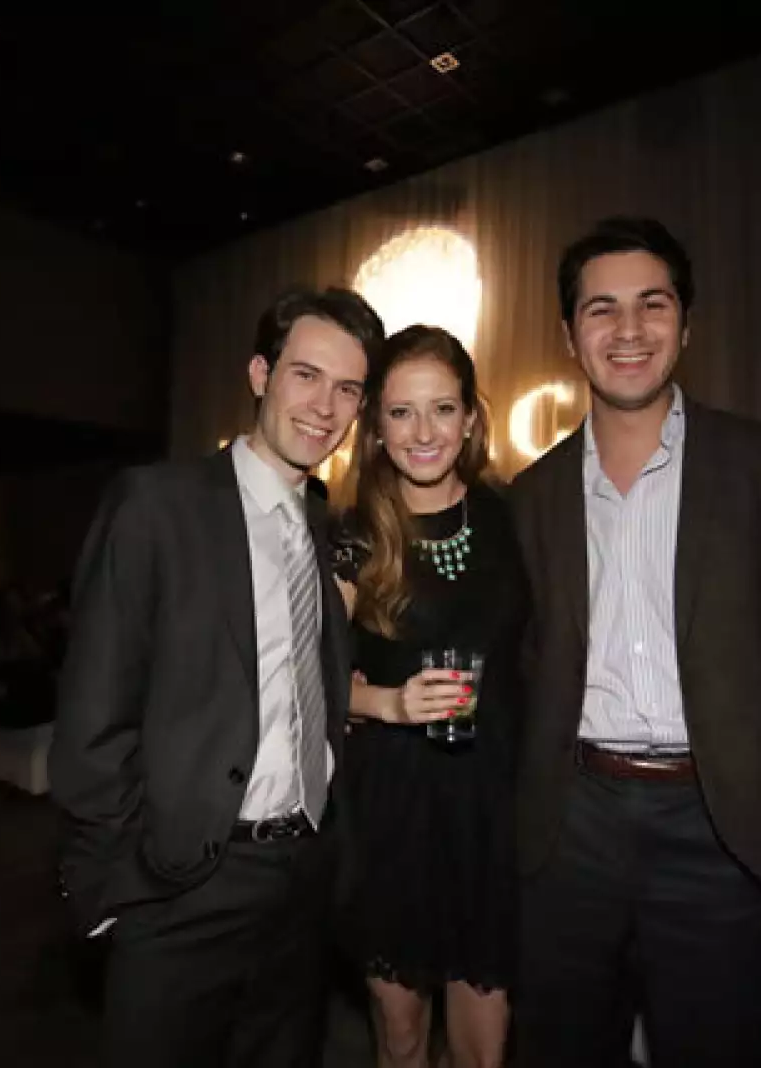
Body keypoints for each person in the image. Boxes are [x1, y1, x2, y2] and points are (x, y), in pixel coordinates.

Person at [507, 217, 761, 1067]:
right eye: (602, 310)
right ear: (569, 336)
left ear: (686, 323)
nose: (628, 330)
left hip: (728, 830)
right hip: (572, 832)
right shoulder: (529, 496)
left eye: (653, 304)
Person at [49, 286, 382, 1068]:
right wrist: (110, 888)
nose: (325, 407)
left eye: (348, 390)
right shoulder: (158, 505)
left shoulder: (323, 526)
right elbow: (95, 711)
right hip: (180, 884)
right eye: (306, 375)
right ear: (260, 373)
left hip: (302, 884)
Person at [330, 326, 521, 1068]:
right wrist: (388, 704)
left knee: (484, 1048)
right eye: (402, 413)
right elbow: (302, 680)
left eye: (442, 409)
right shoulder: (354, 535)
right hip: (393, 816)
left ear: (472, 417)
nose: (423, 433)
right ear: (375, 425)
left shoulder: (511, 518)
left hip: (490, 811)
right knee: (402, 1037)